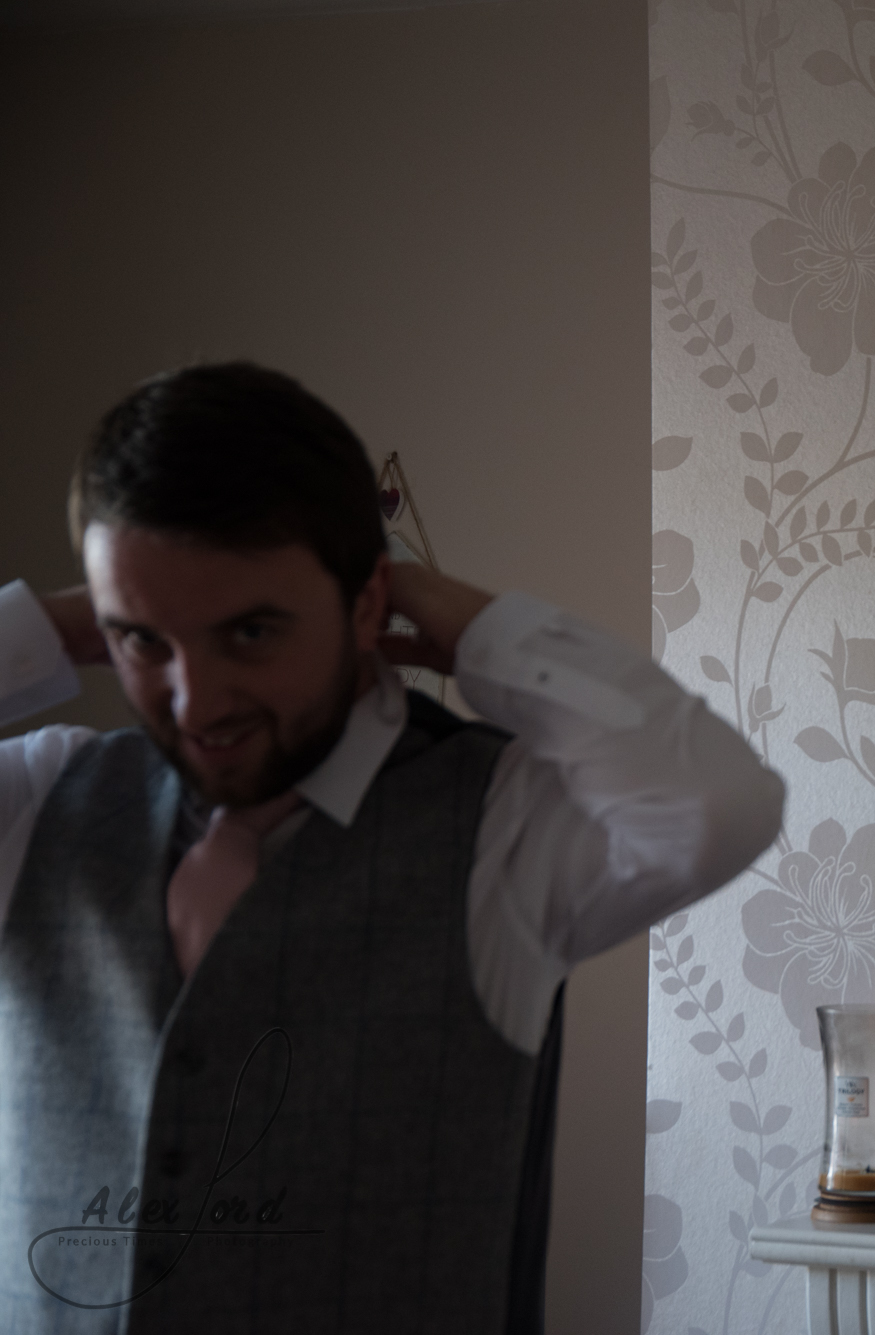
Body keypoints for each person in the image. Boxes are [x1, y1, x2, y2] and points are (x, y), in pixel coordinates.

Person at [0, 363, 785, 1333]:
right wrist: (46, 628)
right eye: (142, 642)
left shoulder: (503, 826)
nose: (193, 701)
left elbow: (720, 802)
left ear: (368, 605)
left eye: (248, 630)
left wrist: (485, 634)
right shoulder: (39, 800)